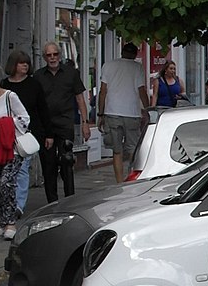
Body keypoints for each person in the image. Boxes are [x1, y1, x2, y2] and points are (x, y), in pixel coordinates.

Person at [35, 41, 89, 201]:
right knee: (48, 164)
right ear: (45, 57)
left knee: (66, 162)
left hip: (65, 123)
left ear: (60, 55)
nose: (52, 58)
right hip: (46, 126)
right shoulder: (38, 76)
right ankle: (51, 201)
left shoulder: (71, 73)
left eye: (55, 54)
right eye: (49, 55)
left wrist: (85, 123)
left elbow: (80, 98)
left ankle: (69, 199)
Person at [0, 63, 31, 238]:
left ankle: (11, 223)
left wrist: (5, 123)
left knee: (6, 184)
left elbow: (25, 119)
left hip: (9, 150)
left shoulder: (9, 97)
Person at [98, 41, 149, 184]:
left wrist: (100, 114)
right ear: (135, 54)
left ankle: (119, 182)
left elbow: (103, 92)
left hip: (112, 112)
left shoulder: (108, 65)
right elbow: (141, 91)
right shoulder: (137, 67)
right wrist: (148, 109)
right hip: (132, 113)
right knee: (133, 149)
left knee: (117, 150)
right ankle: (131, 180)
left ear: (122, 52)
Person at [4, 50, 44, 221]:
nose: (25, 65)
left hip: (25, 134)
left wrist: (45, 133)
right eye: (21, 63)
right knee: (5, 172)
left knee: (22, 169)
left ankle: (19, 205)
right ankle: (6, 203)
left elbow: (41, 110)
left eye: (27, 63)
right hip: (5, 134)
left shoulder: (33, 84)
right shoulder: (4, 85)